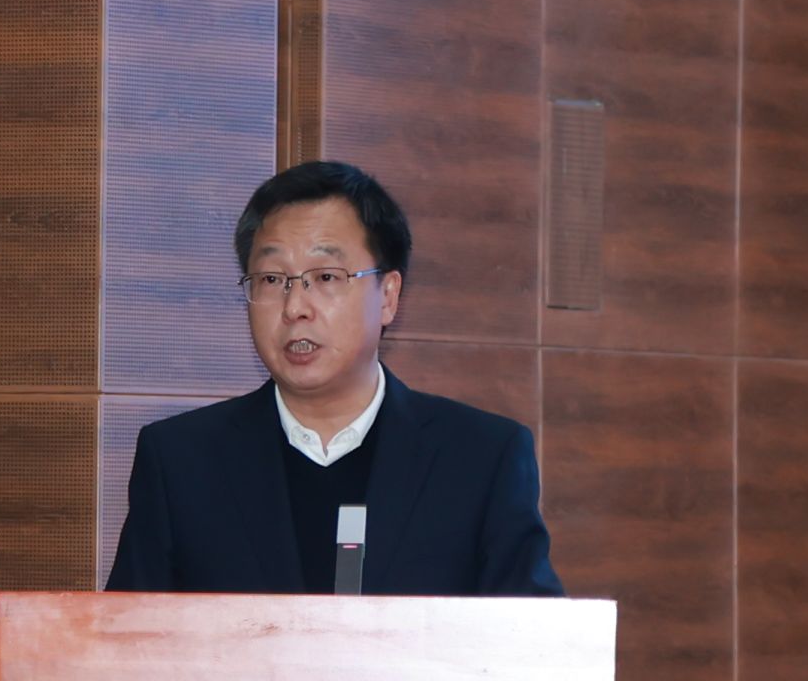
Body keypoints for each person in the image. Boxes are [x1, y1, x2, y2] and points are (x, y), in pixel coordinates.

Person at [104, 161, 563, 597]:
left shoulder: (481, 459)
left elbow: (530, 641)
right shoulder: (181, 462)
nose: (294, 307)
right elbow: (123, 639)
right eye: (271, 279)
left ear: (388, 296)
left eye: (325, 276)